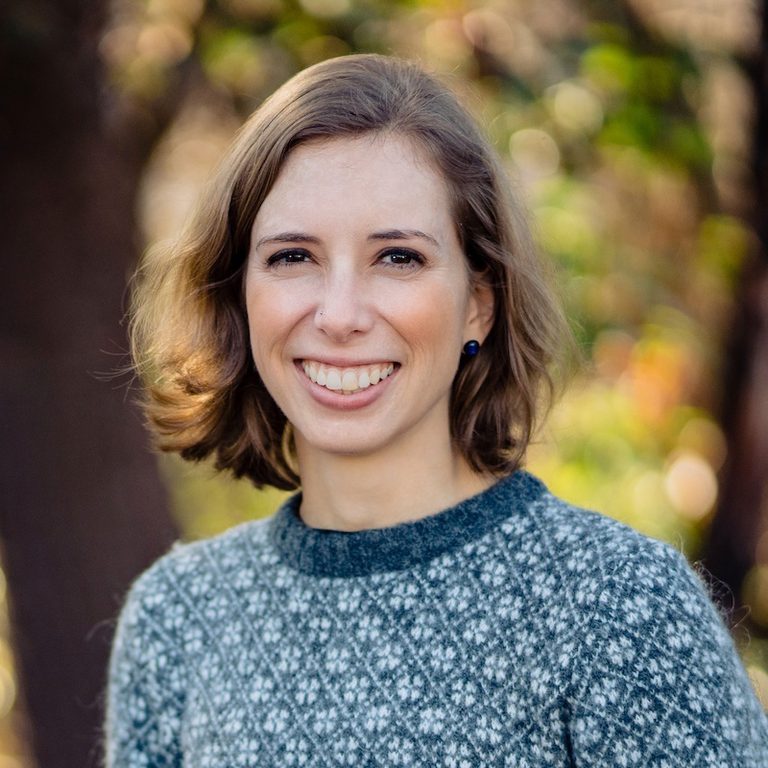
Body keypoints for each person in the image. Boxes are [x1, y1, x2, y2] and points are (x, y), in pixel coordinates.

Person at [105, 54, 768, 767]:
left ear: (478, 301)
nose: (339, 315)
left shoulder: (619, 608)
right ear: (240, 294)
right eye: (293, 257)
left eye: (398, 258)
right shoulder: (177, 619)